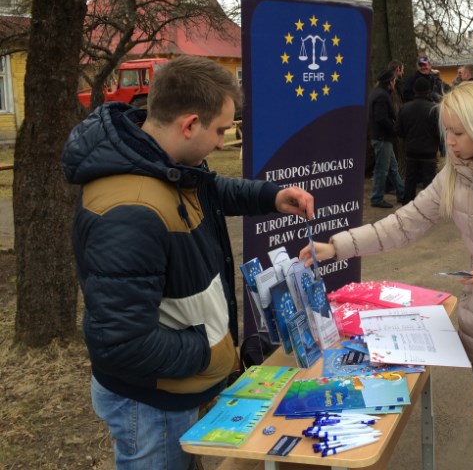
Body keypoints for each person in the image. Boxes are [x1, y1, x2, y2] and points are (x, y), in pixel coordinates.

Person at [62, 56, 315, 469]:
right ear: (189, 124)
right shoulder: (131, 210)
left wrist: (270, 196)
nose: (221, 143)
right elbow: (124, 342)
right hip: (151, 402)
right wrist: (209, 352)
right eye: (219, 131)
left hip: (172, 389)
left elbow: (211, 190)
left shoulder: (165, 164)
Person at [298, 81, 473, 470]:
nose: (449, 143)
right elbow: (406, 222)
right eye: (446, 132)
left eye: (458, 132)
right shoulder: (455, 172)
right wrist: (338, 246)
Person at [396, 76, 440, 203]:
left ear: (414, 90)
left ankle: (407, 203)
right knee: (429, 180)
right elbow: (439, 132)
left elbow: (398, 129)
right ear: (429, 91)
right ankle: (428, 204)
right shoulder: (434, 109)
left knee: (410, 179)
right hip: (429, 151)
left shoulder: (405, 108)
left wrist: (408, 137)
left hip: (411, 150)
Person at [368, 68, 405, 207]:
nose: (395, 83)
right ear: (390, 82)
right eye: (394, 80)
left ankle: (402, 193)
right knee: (382, 169)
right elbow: (381, 118)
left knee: (392, 168)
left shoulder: (377, 93)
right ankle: (376, 198)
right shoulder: (382, 96)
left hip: (382, 137)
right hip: (383, 137)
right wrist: (394, 128)